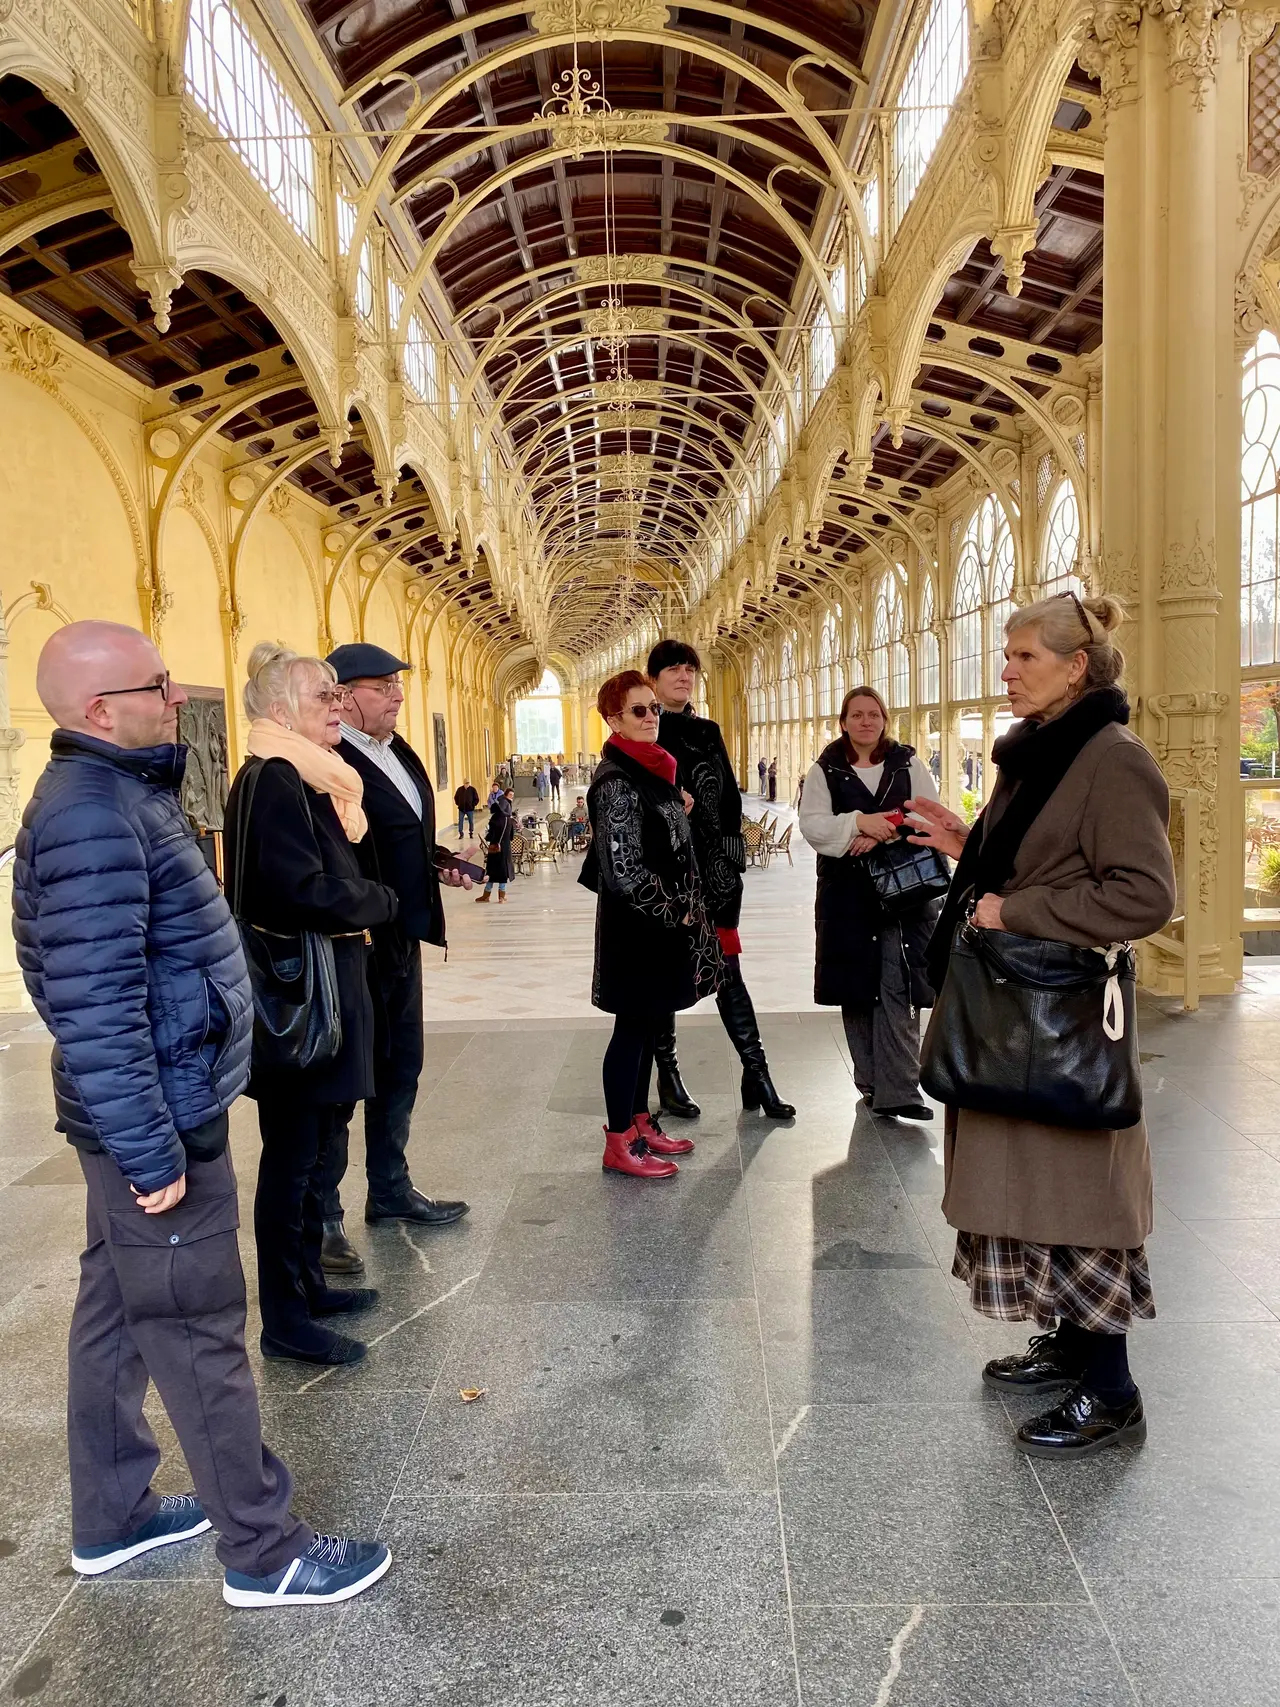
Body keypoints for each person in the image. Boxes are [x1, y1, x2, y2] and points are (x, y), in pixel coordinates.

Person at [12, 621, 390, 1608]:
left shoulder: (102, 794)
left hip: (151, 1100)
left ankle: (111, 1514)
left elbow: (58, 971)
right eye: (156, 684)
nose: (177, 694)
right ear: (99, 709)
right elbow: (90, 1005)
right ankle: (263, 1552)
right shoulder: (94, 813)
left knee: (114, 1312)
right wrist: (147, 1148)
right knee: (194, 1325)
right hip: (158, 1116)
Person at [907, 593, 1175, 1458]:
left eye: (1024, 656)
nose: (1007, 669)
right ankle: (1068, 1342)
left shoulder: (1112, 757)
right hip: (1017, 1009)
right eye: (1008, 654)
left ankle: (1113, 1389)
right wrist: (966, 846)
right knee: (1035, 1187)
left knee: (1080, 1192)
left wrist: (1013, 908)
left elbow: (1143, 894)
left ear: (1077, 668)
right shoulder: (1040, 754)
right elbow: (1033, 857)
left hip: (1063, 1016)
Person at [223, 644, 396, 1369]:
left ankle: (308, 1285)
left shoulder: (305, 777)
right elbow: (293, 890)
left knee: (315, 1151)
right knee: (292, 1161)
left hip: (325, 988)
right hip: (300, 1000)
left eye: (335, 691)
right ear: (277, 710)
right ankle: (287, 1318)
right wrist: (376, 901)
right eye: (320, 693)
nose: (336, 702)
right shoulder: (273, 779)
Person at [320, 643, 471, 1273]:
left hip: (402, 935)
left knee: (401, 1063)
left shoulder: (400, 752)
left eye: (397, 685)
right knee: (345, 1078)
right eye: (383, 686)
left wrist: (441, 863)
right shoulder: (331, 761)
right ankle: (323, 1216)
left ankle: (389, 1190)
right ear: (348, 694)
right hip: (357, 944)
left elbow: (401, 835)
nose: (397, 695)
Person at [579, 670, 722, 1178]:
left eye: (653, 709)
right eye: (638, 710)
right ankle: (619, 1140)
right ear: (613, 719)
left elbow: (659, 837)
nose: (650, 717)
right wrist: (677, 911)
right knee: (630, 1031)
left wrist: (674, 808)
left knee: (646, 1028)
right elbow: (623, 872)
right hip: (638, 932)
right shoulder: (618, 780)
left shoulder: (651, 770)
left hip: (656, 930)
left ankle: (640, 1123)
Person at [647, 639, 795, 1121]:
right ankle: (668, 1077)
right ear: (653, 679)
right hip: (667, 880)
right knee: (666, 978)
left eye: (689, 670)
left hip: (714, 876)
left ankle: (758, 1074)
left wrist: (731, 863)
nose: (684, 677)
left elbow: (729, 798)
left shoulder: (708, 731)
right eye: (673, 669)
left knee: (729, 973)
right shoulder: (643, 731)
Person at [799, 686, 940, 1120]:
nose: (865, 721)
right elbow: (813, 825)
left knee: (899, 984)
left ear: (884, 719)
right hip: (847, 897)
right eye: (856, 715)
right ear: (843, 722)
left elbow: (930, 813)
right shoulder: (825, 771)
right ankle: (871, 1083)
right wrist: (858, 823)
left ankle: (901, 1090)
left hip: (904, 894)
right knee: (856, 987)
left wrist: (884, 826)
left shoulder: (908, 762)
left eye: (873, 714)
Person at [478, 785, 515, 901]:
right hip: (505, 849)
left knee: (492, 871)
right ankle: (501, 897)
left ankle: (486, 895)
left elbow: (490, 835)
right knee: (503, 872)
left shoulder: (494, 820)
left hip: (494, 848)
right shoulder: (509, 820)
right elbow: (511, 836)